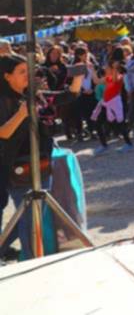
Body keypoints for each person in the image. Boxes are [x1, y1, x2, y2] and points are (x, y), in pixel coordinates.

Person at [0, 54, 81, 259]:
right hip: (16, 167)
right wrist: (21, 114)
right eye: (21, 71)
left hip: (41, 163)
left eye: (28, 70)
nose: (27, 75)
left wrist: (79, 75)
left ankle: (7, 249)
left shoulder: (34, 95)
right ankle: (29, 260)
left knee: (32, 214)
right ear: (7, 76)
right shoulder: (3, 100)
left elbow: (68, 95)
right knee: (28, 219)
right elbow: (3, 133)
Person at [91, 59, 133, 154]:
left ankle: (129, 144)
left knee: (120, 125)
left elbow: (115, 80)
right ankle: (104, 145)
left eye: (107, 67)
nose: (105, 68)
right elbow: (96, 81)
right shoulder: (107, 78)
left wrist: (114, 68)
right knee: (98, 123)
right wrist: (92, 70)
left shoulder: (119, 77)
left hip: (114, 105)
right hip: (106, 105)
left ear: (112, 69)